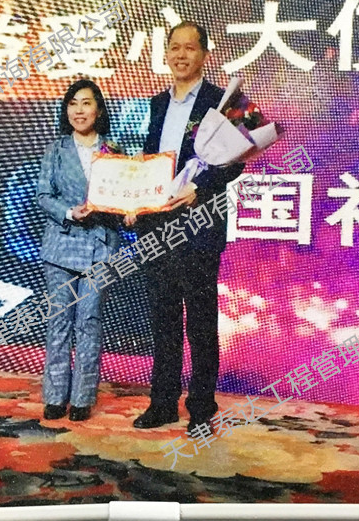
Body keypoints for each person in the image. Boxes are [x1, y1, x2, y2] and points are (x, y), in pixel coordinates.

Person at [127, 21, 244, 432]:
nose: (180, 55)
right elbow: (150, 161)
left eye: (189, 48)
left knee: (200, 321)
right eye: (174, 47)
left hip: (199, 223)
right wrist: (133, 199)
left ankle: (201, 407)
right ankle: (162, 403)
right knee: (163, 319)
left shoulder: (224, 99)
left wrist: (200, 188)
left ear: (205, 54)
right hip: (156, 226)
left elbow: (240, 158)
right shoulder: (157, 103)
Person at [37, 79, 122, 422]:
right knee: (59, 321)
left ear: (98, 109)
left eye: (86, 103)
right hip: (61, 245)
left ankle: (83, 397)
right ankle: (55, 396)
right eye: (73, 103)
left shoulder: (114, 151)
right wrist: (70, 212)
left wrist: (130, 211)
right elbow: (44, 196)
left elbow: (123, 197)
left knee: (89, 321)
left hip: (100, 246)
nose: (79, 110)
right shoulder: (56, 149)